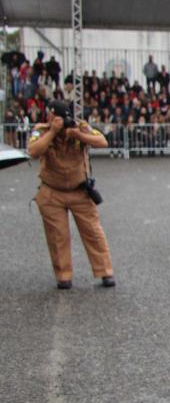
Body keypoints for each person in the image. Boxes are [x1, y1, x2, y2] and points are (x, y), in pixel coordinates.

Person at [28, 100, 115, 289]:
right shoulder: (41, 130)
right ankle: (63, 276)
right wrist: (52, 132)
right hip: (52, 191)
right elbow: (33, 151)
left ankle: (105, 272)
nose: (55, 120)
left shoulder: (80, 126)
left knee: (93, 232)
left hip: (79, 190)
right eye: (53, 116)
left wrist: (77, 134)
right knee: (57, 236)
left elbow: (102, 141)